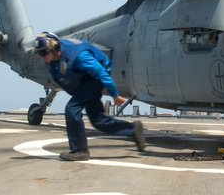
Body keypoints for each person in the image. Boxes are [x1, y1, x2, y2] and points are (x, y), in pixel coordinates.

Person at [35, 31, 145, 161]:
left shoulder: (79, 56)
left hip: (93, 80)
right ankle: (133, 129)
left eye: (43, 53)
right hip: (84, 81)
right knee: (98, 121)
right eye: (39, 53)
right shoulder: (54, 58)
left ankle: (80, 150)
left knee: (72, 109)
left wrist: (115, 95)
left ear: (55, 47)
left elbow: (101, 72)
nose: (42, 56)